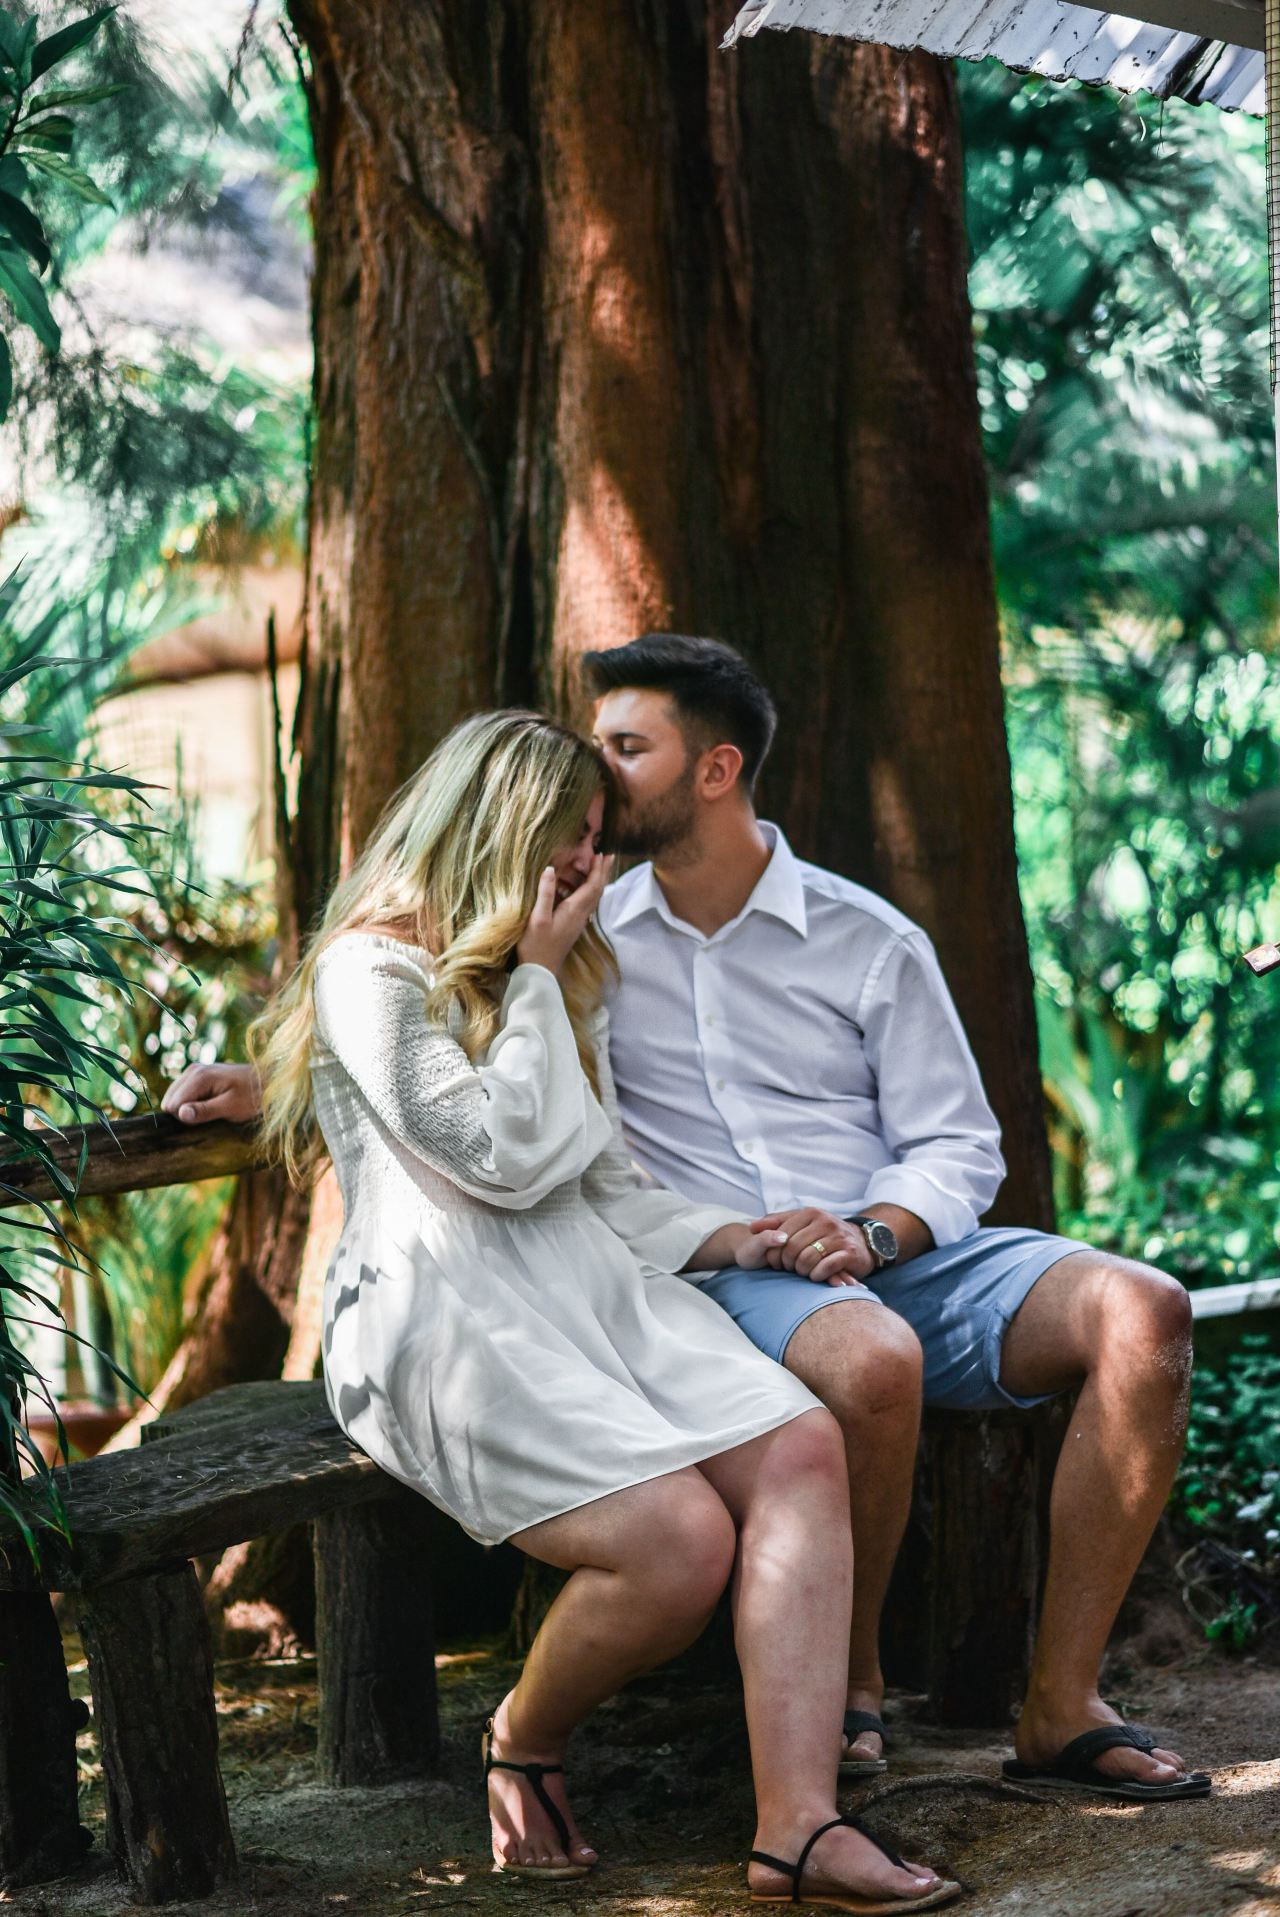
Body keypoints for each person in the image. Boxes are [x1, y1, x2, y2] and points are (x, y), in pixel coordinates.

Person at [166, 638, 1210, 1805]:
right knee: (866, 1359)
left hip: (881, 1243)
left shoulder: (857, 936)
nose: (598, 788)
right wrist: (287, 1077)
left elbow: (959, 1144)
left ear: (714, 771)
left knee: (1143, 1310)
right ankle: (853, 1686)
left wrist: (873, 1231)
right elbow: (438, 1046)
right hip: (723, 1267)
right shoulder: (578, 938)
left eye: (624, 751)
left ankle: (1061, 1704)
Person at [229, 710, 958, 1913]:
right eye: (568, 839)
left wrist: (735, 1238)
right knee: (675, 1545)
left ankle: (799, 1830)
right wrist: (525, 978)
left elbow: (599, 1177)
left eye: (590, 842)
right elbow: (498, 1159)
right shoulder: (371, 969)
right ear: (498, 828)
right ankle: (522, 1733)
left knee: (798, 1447)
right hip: (447, 1316)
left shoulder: (556, 971)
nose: (585, 868)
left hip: (591, 1287)